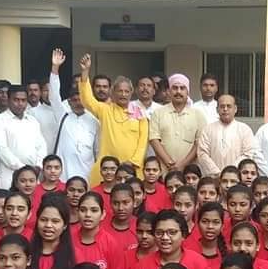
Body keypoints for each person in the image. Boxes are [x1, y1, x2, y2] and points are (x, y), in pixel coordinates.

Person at [77, 53, 150, 185]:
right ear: (113, 92)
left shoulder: (140, 114)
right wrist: (85, 71)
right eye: (120, 91)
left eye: (126, 91)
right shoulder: (105, 110)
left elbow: (143, 142)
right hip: (107, 169)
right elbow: (87, 99)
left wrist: (133, 162)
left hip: (131, 169)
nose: (123, 94)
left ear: (131, 93)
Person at [47, 48, 99, 182]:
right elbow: (54, 95)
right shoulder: (63, 116)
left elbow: (97, 150)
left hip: (87, 175)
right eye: (74, 100)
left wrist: (85, 71)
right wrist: (55, 68)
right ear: (69, 102)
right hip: (64, 176)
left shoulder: (94, 120)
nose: (78, 103)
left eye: (81, 100)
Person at [0, 84, 47, 190]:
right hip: (10, 176)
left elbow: (41, 145)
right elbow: (1, 149)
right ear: (8, 100)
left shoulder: (32, 121)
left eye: (23, 100)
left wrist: (38, 165)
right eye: (16, 100)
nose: (20, 103)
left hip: (33, 176)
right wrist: (23, 168)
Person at [150, 73, 206, 172]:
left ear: (188, 92)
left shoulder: (198, 115)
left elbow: (200, 143)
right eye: (175, 88)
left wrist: (183, 164)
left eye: (182, 88)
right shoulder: (158, 113)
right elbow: (154, 139)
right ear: (169, 91)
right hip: (164, 169)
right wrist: (169, 163)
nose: (178, 91)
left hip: (189, 172)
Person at [197, 94, 263, 176]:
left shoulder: (244, 129)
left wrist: (231, 172)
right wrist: (216, 173)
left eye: (229, 106)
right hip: (213, 177)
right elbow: (202, 153)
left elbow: (248, 153)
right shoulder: (207, 129)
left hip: (236, 177)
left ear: (235, 109)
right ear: (217, 109)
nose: (225, 109)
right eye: (222, 106)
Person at [26, 79, 58, 154]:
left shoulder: (64, 110)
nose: (49, 93)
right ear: (40, 93)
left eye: (52, 90)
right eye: (46, 90)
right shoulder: (33, 112)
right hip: (41, 154)